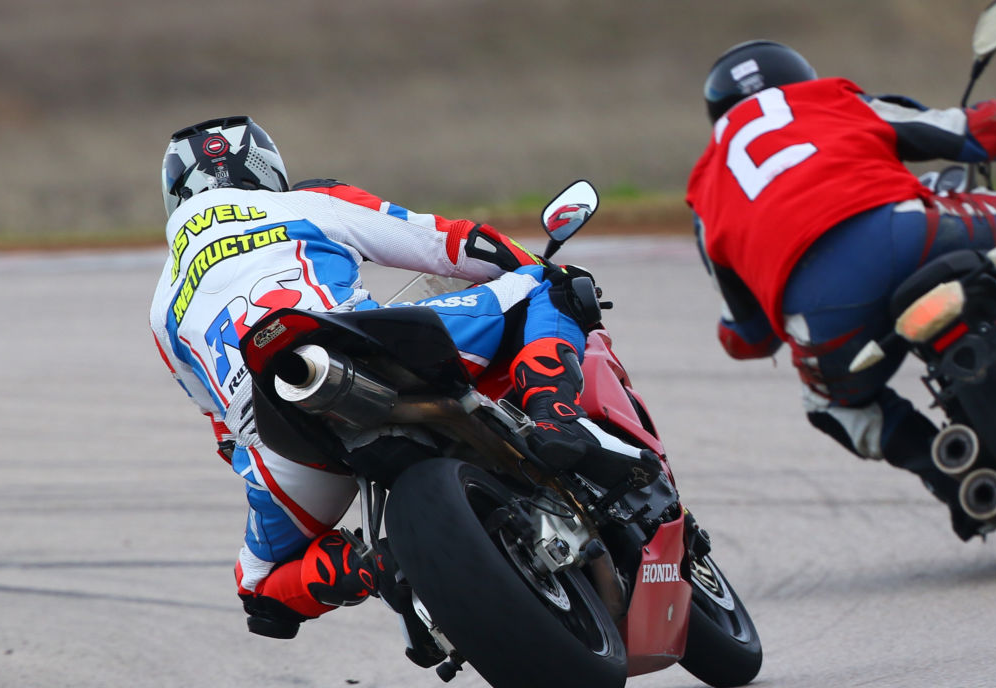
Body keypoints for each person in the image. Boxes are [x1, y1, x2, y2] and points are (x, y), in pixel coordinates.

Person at [150, 116, 643, 639]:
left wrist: (264, 470)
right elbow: (451, 244)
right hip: (364, 345)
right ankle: (554, 416)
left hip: (284, 435)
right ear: (267, 168)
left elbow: (225, 434)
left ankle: (373, 569)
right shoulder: (305, 202)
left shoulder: (161, 308)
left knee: (260, 589)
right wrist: (536, 267)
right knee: (544, 284)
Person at [685, 42, 996, 538]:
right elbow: (973, 133)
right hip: (910, 235)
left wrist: (743, 324)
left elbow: (749, 336)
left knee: (830, 406)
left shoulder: (704, 189)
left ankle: (952, 479)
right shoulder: (830, 99)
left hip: (823, 314)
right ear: (799, 78)